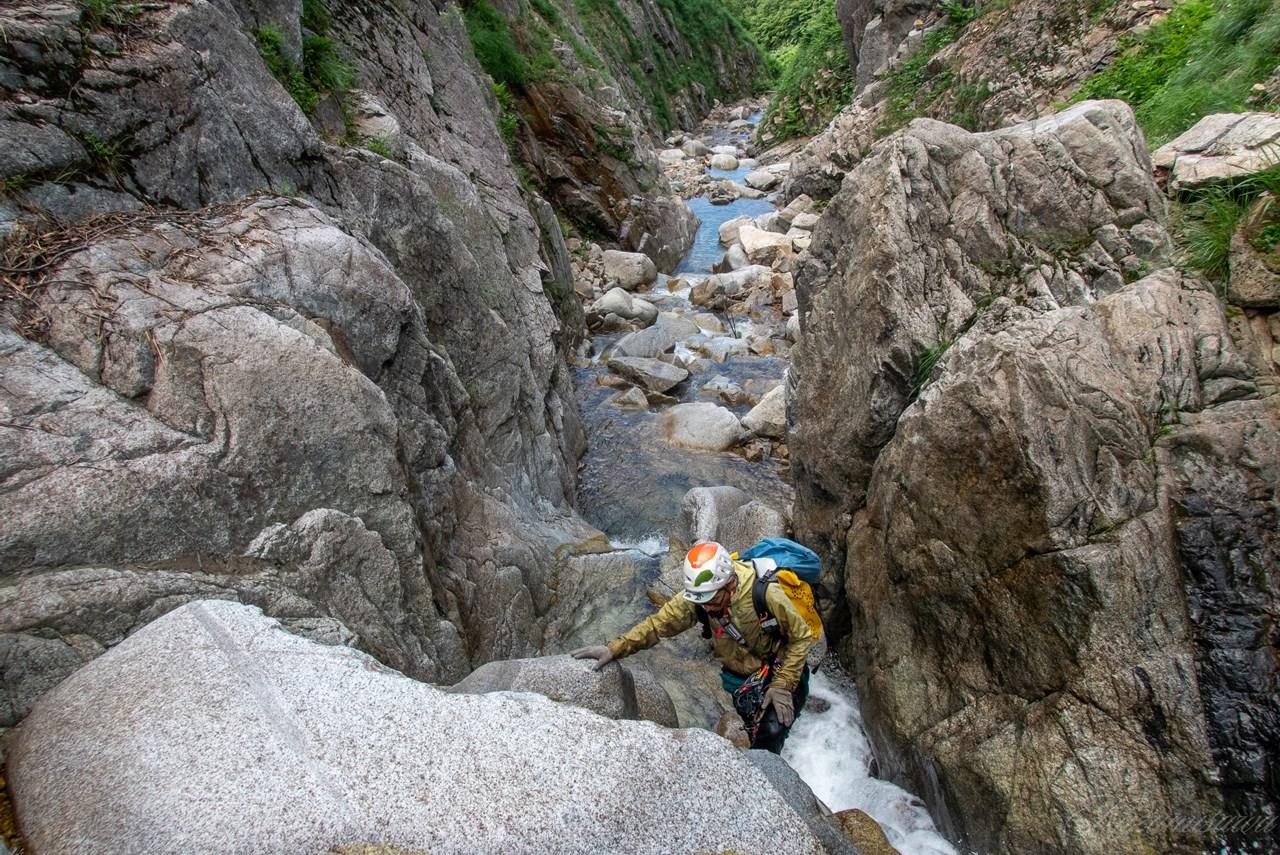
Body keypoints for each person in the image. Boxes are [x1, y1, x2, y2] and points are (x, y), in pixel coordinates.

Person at [571, 540, 815, 753]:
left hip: (779, 666)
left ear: (730, 584)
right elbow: (658, 625)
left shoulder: (765, 594)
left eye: (713, 600)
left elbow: (801, 636)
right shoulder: (698, 595)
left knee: (772, 731)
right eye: (702, 601)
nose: (707, 608)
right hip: (740, 676)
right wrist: (615, 648)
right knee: (752, 722)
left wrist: (782, 685)